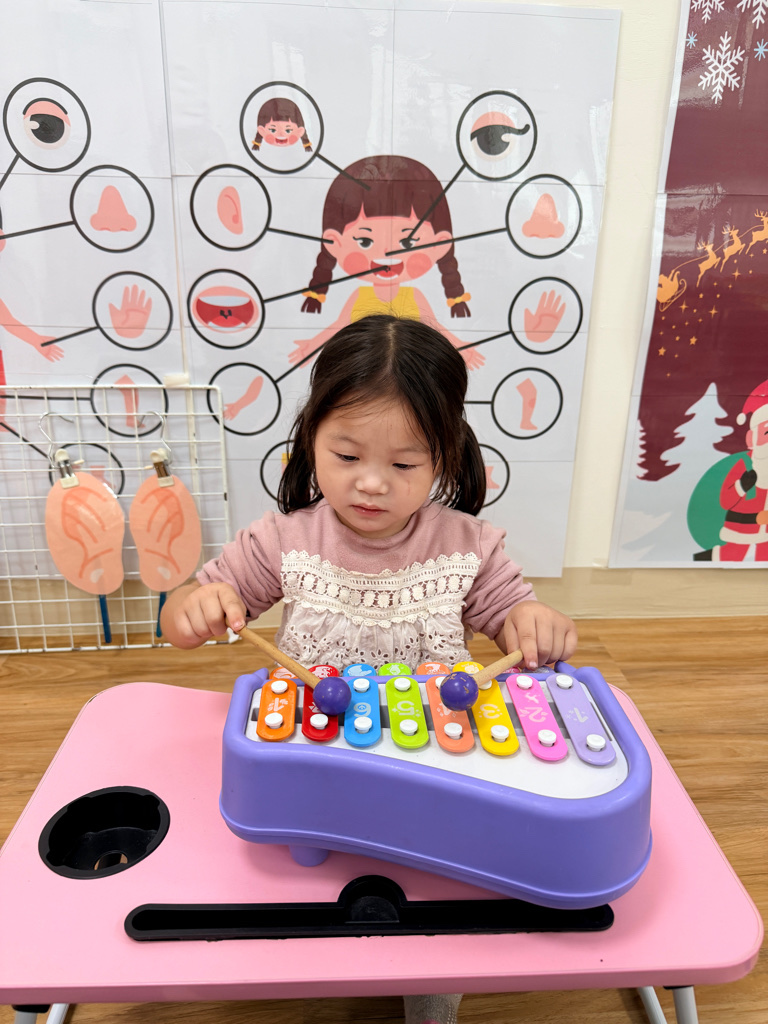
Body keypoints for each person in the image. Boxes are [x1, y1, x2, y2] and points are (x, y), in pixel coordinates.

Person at [161, 314, 577, 1024]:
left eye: (405, 465)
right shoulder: (283, 540)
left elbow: (515, 617)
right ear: (311, 439)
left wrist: (534, 623)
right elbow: (178, 621)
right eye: (347, 455)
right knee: (304, 895)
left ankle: (430, 992)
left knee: (436, 903)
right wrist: (195, 607)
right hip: (313, 766)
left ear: (446, 457)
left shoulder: (468, 545)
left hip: (433, 769)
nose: (373, 484)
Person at [290, 155, 484, 370]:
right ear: (334, 242)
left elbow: (436, 328)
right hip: (362, 375)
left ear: (440, 244)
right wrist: (313, 346)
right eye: (364, 241)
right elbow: (338, 326)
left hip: (411, 376)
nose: (386, 253)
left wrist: (461, 347)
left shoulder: (415, 297)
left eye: (408, 242)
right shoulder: (359, 297)